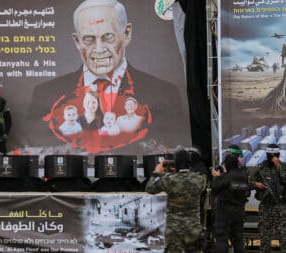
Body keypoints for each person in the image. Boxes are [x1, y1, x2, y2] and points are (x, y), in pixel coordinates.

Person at [29, 0, 187, 154]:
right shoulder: (44, 93)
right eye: (88, 39)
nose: (99, 49)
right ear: (77, 41)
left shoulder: (165, 93)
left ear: (126, 33)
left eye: (108, 37)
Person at [146, 149, 206, 252]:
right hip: (193, 228)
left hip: (174, 229)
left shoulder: (169, 180)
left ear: (176, 163)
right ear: (189, 162)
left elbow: (150, 189)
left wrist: (156, 173)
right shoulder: (200, 179)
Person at [211, 153, 249, 253]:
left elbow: (214, 189)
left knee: (222, 239)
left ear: (227, 164)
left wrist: (217, 177)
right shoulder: (243, 177)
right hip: (239, 212)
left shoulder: (226, 177)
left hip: (224, 213)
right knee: (238, 240)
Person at [253, 143, 286, 252]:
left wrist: (279, 166)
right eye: (270, 155)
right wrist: (256, 184)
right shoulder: (261, 168)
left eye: (274, 155)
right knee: (265, 237)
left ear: (278, 155)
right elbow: (250, 181)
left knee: (284, 236)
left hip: (281, 207)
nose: (272, 157)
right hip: (266, 207)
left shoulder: (284, 167)